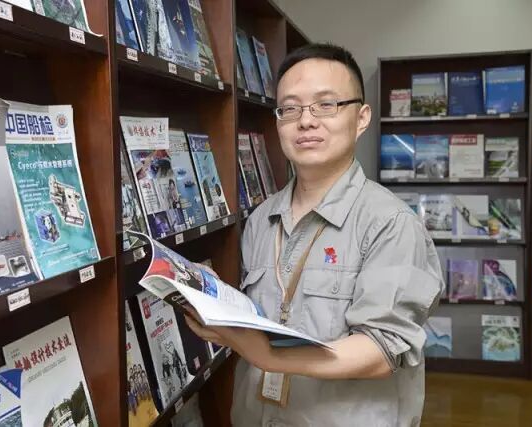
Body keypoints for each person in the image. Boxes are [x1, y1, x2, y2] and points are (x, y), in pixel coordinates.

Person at [185, 43, 445, 427]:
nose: (306, 121)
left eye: (326, 105)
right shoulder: (261, 219)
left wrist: (270, 357)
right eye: (290, 108)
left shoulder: (390, 223)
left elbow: (382, 349)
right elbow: (263, 320)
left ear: (361, 118)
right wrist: (220, 312)